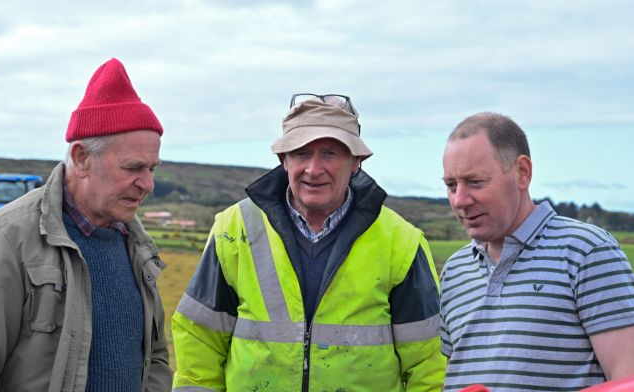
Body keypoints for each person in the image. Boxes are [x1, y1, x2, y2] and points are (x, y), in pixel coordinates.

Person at [172, 94, 446, 391]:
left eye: (330, 153)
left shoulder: (400, 241)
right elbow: (200, 344)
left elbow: (429, 362)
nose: (313, 170)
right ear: (283, 160)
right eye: (301, 153)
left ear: (356, 162)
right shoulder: (234, 229)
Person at [0, 58, 173, 391]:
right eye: (134, 167)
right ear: (81, 158)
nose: (147, 184)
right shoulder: (7, 238)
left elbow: (156, 357)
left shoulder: (138, 248)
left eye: (153, 168)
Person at [439, 112, 634, 391]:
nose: (459, 200)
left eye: (475, 182)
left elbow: (630, 379)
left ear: (522, 172)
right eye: (451, 185)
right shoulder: (454, 270)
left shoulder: (587, 252)